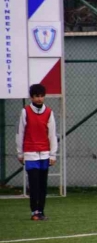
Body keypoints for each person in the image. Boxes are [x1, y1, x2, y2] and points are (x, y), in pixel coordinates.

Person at [16, 84, 57, 221]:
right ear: (31, 97)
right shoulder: (25, 112)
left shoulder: (49, 112)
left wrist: (53, 154)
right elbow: (20, 133)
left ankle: (41, 211)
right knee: (34, 185)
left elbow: (52, 135)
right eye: (36, 96)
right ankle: (34, 212)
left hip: (45, 154)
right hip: (30, 154)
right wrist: (20, 153)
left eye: (41, 96)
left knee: (43, 186)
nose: (39, 99)